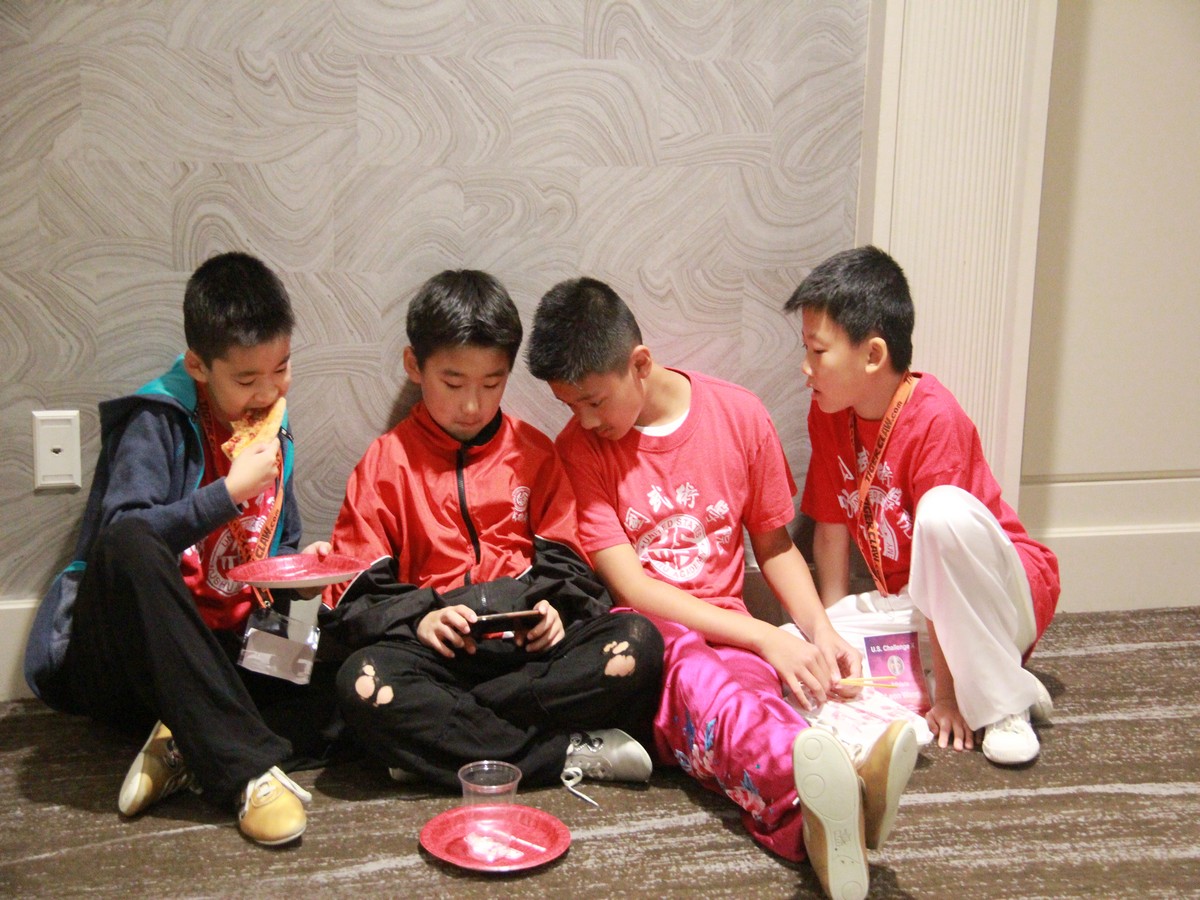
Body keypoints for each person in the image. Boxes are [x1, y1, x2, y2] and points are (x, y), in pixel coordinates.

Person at [526, 277, 918, 900]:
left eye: (594, 401)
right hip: (647, 647)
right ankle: (842, 789)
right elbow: (632, 587)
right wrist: (767, 635)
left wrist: (817, 630)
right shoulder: (579, 450)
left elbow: (775, 546)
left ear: (640, 364)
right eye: (572, 407)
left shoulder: (738, 415)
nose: (586, 421)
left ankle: (817, 827)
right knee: (702, 678)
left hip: (732, 633)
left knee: (751, 710)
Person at [23, 251, 340, 846]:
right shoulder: (157, 418)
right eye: (245, 380)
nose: (267, 391)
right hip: (131, 661)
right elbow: (124, 544)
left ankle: (185, 743)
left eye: (281, 369)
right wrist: (227, 494)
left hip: (225, 653)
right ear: (198, 365)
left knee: (351, 683)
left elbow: (281, 537)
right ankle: (246, 773)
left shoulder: (274, 427)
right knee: (129, 540)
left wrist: (303, 571)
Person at [316, 269, 664, 801]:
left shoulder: (534, 452)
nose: (472, 406)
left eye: (492, 383)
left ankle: (441, 743)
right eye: (453, 384)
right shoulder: (385, 463)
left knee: (637, 641)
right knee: (363, 681)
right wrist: (422, 617)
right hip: (438, 660)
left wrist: (553, 610)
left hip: (529, 660)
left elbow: (570, 565)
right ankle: (565, 752)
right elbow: (356, 592)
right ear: (414, 365)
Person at [784, 245, 1060, 766]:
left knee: (942, 513)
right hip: (916, 602)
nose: (806, 367)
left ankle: (1002, 704)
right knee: (793, 651)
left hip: (999, 593)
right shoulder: (828, 412)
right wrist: (831, 633)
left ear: (873, 355)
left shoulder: (935, 418)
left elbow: (950, 565)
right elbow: (831, 528)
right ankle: (1000, 678)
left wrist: (949, 699)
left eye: (818, 352)